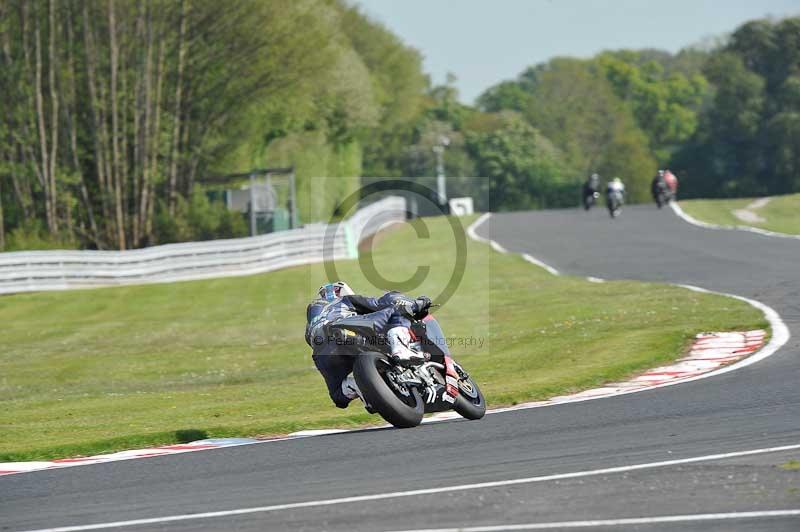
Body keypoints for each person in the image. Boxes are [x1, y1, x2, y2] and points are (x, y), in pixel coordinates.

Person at [305, 281, 433, 409]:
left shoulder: (312, 322)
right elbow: (377, 305)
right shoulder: (346, 300)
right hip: (345, 331)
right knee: (398, 310)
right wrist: (416, 304)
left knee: (338, 396)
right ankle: (401, 349)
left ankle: (357, 386)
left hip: (322, 353)